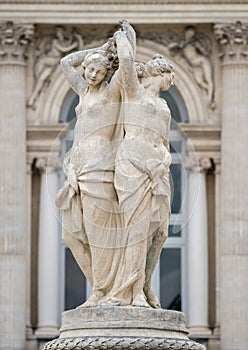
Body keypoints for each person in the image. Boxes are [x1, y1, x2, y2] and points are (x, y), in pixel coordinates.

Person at [56, 23, 137, 308]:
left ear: (106, 75)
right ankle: (101, 287)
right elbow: (67, 62)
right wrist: (100, 50)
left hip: (99, 169)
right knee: (73, 234)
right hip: (77, 170)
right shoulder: (83, 91)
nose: (91, 74)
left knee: (98, 236)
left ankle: (102, 291)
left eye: (99, 71)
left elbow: (126, 67)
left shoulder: (110, 93)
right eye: (90, 70)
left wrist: (124, 41)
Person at [101, 22, 174, 308]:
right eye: (171, 75)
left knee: (160, 232)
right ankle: (129, 292)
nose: (172, 81)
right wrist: (124, 39)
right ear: (161, 73)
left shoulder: (164, 108)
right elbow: (128, 65)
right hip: (132, 164)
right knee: (136, 229)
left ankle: (144, 283)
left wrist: (165, 160)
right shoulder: (134, 94)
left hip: (158, 170)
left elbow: (165, 144)